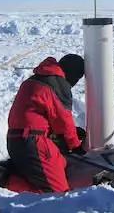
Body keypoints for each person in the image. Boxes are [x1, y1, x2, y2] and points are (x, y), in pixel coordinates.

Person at [5, 54, 87, 193]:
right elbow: (63, 122)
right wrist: (76, 145)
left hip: (15, 140)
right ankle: (6, 180)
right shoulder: (58, 85)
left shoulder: (35, 79)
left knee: (61, 163)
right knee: (59, 194)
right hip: (33, 143)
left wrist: (72, 131)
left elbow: (40, 114)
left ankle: (7, 175)